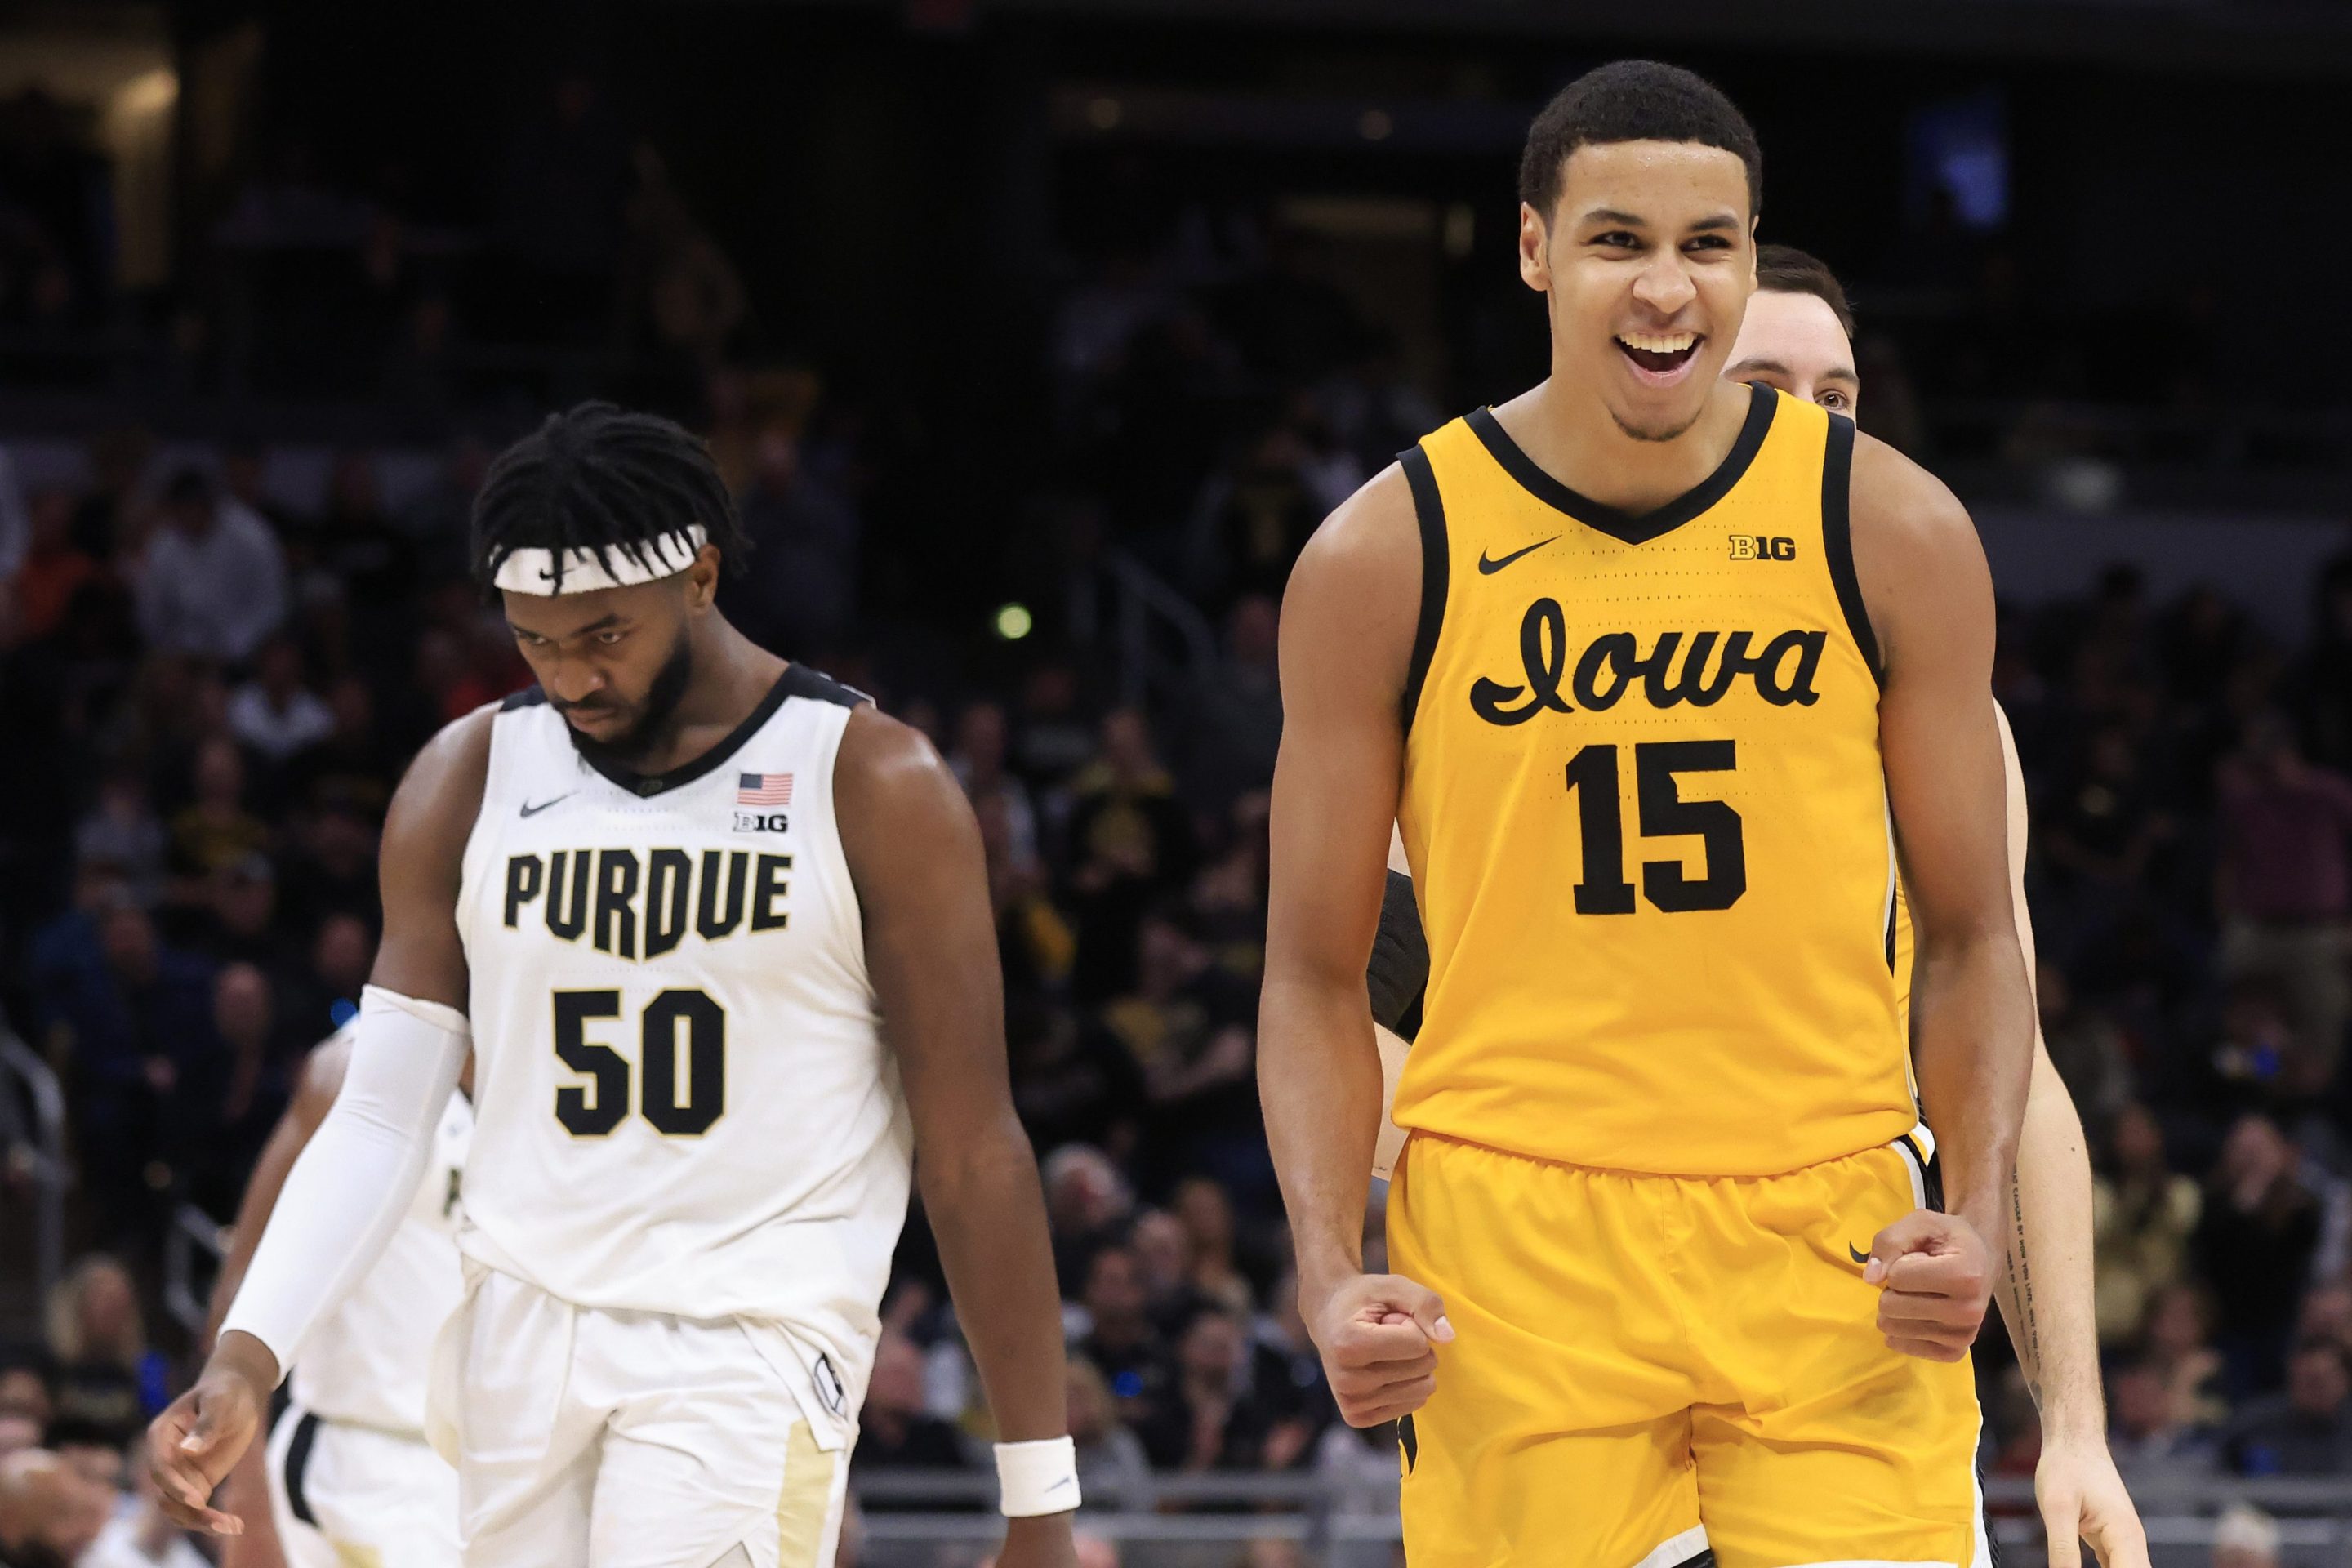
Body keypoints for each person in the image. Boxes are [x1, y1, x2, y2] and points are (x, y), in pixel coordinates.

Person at [1262, 62, 2038, 1568]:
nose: (1668, 289)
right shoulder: (1386, 552)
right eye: (1619, 240)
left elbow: (1971, 933)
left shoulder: (1893, 529)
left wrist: (1980, 1209)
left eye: (1711, 245)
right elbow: (1311, 972)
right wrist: (1321, 1267)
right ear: (1537, 247)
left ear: (1752, 256)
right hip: (1513, 1243)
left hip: (1833, 1236)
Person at [149, 403, 1080, 1568]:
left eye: (603, 635)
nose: (571, 675)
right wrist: (247, 1356)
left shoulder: (871, 782)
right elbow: (383, 1110)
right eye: (535, 640)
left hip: (747, 1346)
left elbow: (973, 1145)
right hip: (515, 1335)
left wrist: (1039, 1497)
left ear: (699, 572)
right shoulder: (468, 775)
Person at [1358, 244, 2149, 1561]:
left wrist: (2074, 1424)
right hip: (1559, 1293)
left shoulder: (1940, 719)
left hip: (1840, 1295)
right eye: (1766, 381)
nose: (1808, 420)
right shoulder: (1483, 669)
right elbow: (1373, 1026)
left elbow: (2016, 1080)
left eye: (1837, 394)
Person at [198, 1027, 472, 1568]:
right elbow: (243, 1287)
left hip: (494, 1461)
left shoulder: (543, 1063)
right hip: (367, 1465)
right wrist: (246, 1498)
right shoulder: (355, 1070)